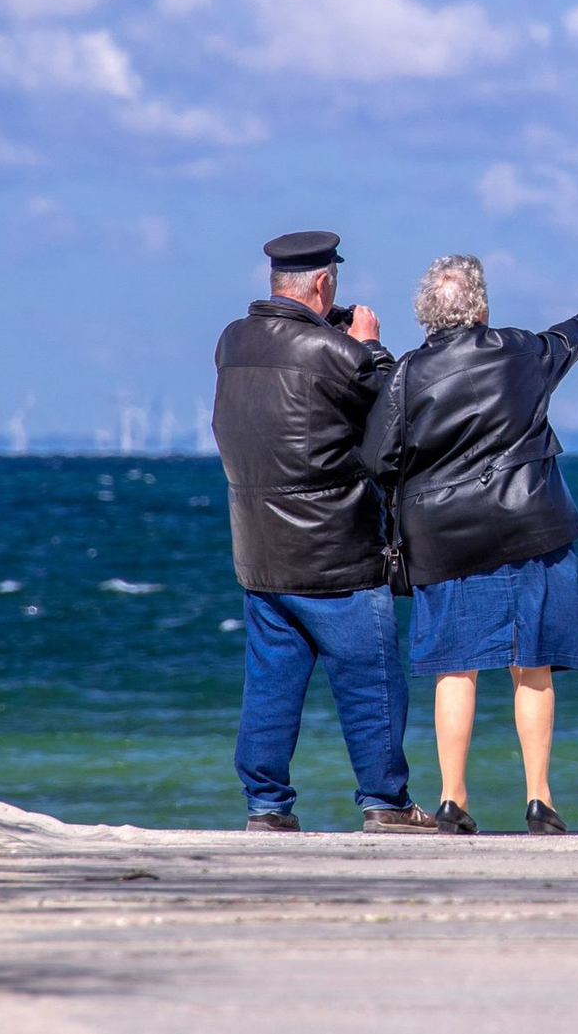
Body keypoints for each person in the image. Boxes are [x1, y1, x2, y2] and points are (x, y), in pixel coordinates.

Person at [362, 254, 578, 835]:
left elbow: (378, 458)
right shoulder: (519, 349)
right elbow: (563, 342)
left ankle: (452, 799)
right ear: (479, 307)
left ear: (428, 312)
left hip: (445, 539)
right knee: (533, 666)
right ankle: (539, 799)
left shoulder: (407, 374)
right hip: (533, 526)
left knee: (457, 669)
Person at [212, 230, 435, 834]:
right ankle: (385, 803)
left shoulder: (232, 341)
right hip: (336, 551)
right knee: (372, 685)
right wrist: (370, 345)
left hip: (260, 551)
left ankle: (266, 807)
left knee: (270, 688)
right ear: (323, 282)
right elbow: (397, 409)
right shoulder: (335, 353)